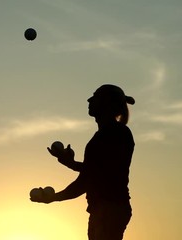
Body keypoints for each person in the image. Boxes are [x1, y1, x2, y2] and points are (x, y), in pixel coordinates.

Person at [30, 84, 135, 240]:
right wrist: (70, 163)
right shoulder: (111, 134)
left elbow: (86, 181)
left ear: (106, 103)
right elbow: (97, 171)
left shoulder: (112, 135)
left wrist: (53, 198)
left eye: (95, 97)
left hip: (109, 209)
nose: (89, 100)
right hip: (106, 208)